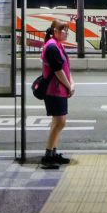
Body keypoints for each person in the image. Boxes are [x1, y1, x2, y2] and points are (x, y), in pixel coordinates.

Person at [40, 19, 74, 169]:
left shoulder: (58, 45)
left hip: (59, 89)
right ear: (54, 31)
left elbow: (65, 66)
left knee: (57, 122)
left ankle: (53, 152)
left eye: (66, 30)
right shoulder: (52, 47)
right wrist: (69, 86)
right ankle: (48, 156)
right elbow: (58, 71)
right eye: (62, 30)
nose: (66, 32)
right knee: (60, 122)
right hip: (54, 90)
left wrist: (71, 83)